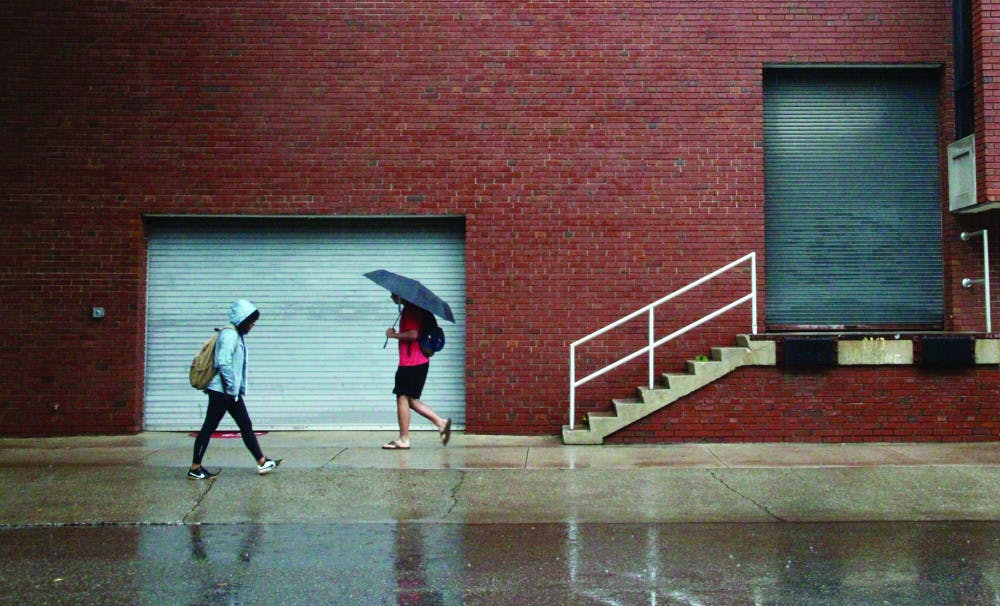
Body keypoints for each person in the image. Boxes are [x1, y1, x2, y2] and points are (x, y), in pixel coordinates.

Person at [188, 299, 282, 479]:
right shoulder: (230, 335)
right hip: (222, 392)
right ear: (243, 319)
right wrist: (231, 389)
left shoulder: (235, 335)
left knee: (245, 425)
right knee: (209, 427)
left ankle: (262, 462)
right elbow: (223, 363)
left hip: (229, 392)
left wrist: (234, 391)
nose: (252, 326)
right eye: (251, 322)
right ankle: (195, 467)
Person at [382, 293, 451, 450]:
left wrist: (393, 335)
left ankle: (404, 439)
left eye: (393, 294)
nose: (391, 297)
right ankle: (441, 423)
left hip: (411, 363)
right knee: (409, 399)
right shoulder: (415, 310)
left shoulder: (411, 311)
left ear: (401, 296)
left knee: (402, 397)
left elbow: (413, 334)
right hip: (418, 362)